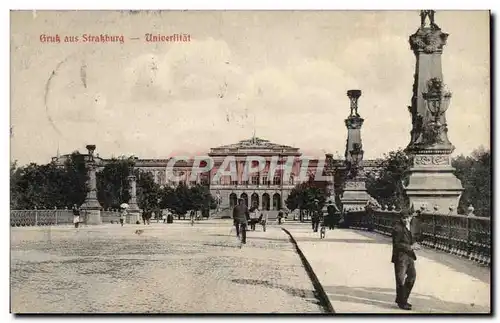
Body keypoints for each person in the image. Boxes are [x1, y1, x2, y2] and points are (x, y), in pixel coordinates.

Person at [392, 210, 421, 310]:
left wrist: (415, 243)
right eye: (403, 218)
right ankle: (402, 302)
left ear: (410, 217)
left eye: (407, 217)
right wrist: (411, 247)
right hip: (400, 256)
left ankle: (402, 299)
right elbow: (397, 244)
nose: (406, 220)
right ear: (400, 218)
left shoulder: (411, 226)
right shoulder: (397, 228)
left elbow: (412, 239)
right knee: (400, 280)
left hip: (409, 256)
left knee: (412, 276)